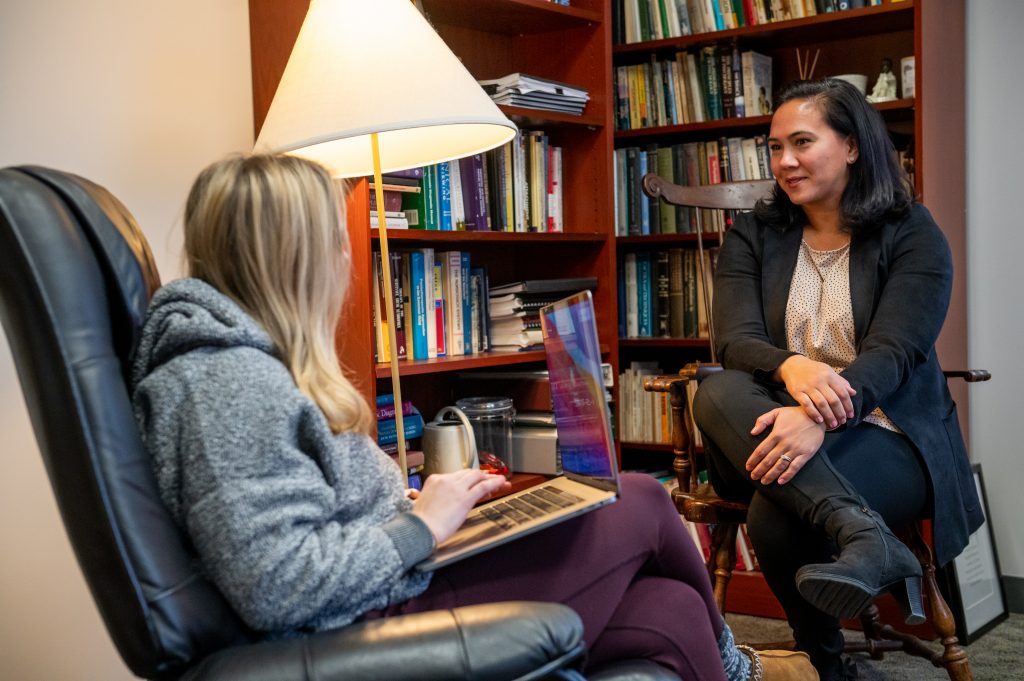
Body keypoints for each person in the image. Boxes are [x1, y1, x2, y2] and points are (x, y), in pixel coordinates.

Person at [130, 154, 817, 681]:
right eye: (335, 241)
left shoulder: (245, 363)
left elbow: (299, 521)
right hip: (362, 624)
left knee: (667, 608)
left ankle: (732, 666)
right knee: (638, 499)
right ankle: (736, 668)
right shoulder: (225, 381)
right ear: (295, 258)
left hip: (390, 586)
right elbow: (279, 588)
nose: (347, 257)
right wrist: (419, 524)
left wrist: (423, 507)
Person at [691, 78, 983, 681]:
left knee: (777, 512)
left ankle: (825, 668)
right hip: (769, 423)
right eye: (774, 147)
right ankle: (862, 532)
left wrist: (817, 417)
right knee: (717, 385)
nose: (785, 161)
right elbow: (734, 340)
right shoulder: (754, 232)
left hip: (890, 432)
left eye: (802, 141)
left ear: (851, 146)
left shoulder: (912, 232)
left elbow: (895, 352)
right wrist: (790, 366)